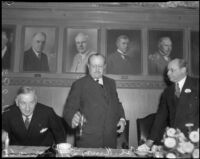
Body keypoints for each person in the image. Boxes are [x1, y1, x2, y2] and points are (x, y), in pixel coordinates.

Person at [64, 53, 126, 148]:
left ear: (104, 66)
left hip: (110, 140)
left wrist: (122, 119)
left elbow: (116, 104)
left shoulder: (111, 83)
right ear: (88, 66)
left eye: (100, 66)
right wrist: (72, 118)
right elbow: (69, 109)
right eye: (94, 66)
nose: (97, 69)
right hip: (88, 141)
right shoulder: (79, 84)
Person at [138, 58, 199, 150]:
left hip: (195, 140)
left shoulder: (197, 84)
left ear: (183, 70)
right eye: (168, 70)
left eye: (172, 70)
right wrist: (149, 141)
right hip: (176, 141)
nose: (168, 73)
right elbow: (160, 118)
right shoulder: (167, 92)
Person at [2, 86, 66, 146]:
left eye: (31, 103)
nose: (27, 108)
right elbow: (3, 135)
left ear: (35, 101)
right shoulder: (8, 113)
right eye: (23, 103)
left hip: (43, 152)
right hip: (16, 151)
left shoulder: (48, 112)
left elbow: (60, 135)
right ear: (17, 102)